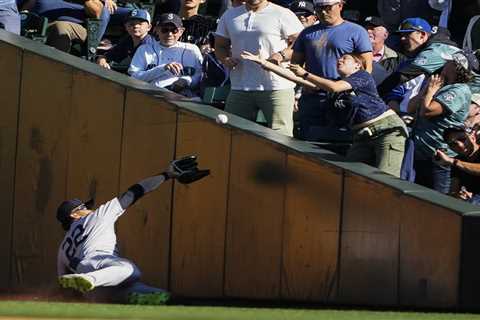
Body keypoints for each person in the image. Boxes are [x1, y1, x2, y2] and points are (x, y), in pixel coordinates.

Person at [57, 155, 210, 304]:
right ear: (75, 214)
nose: (90, 209)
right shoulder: (97, 216)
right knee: (130, 270)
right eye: (85, 207)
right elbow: (134, 192)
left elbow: (64, 283)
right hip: (99, 265)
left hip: (97, 291)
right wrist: (167, 174)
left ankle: (137, 296)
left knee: (152, 293)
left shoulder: (62, 249)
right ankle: (91, 279)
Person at [241, 51, 407, 177]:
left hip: (387, 131)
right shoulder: (333, 82)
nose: (339, 60)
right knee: (351, 175)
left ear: (357, 65)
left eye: (345, 58)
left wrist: (306, 73)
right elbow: (297, 79)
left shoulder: (362, 76)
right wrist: (264, 63)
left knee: (386, 178)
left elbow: (332, 87)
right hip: (362, 135)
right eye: (339, 58)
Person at [214, 0, 303, 137]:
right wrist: (225, 59)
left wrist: (281, 55)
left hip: (277, 86)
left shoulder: (282, 13)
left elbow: (301, 42)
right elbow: (220, 45)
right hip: (240, 86)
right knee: (232, 135)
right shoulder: (230, 15)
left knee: (280, 137)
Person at [290, 0, 373, 140]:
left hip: (342, 98)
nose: (322, 12)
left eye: (327, 8)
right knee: (307, 142)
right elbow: (295, 64)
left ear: (340, 6)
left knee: (341, 143)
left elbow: (366, 67)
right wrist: (302, 86)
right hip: (312, 97)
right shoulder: (307, 33)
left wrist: (351, 90)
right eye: (318, 8)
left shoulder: (356, 31)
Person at [407, 50, 476, 193]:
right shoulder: (440, 86)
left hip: (438, 157)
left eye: (449, 62)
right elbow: (410, 108)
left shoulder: (459, 91)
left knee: (436, 201)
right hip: (420, 153)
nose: (445, 64)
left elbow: (427, 111)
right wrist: (426, 90)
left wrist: (431, 92)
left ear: (457, 67)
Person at [129, 13, 203, 97]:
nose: (169, 34)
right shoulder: (145, 49)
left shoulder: (192, 49)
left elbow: (200, 75)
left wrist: (187, 80)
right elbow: (134, 78)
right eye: (165, 30)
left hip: (184, 97)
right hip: (150, 95)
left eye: (174, 30)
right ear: (157, 30)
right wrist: (163, 68)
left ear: (181, 31)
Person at [22, 0, 130, 53]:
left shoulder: (99, 2)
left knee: (61, 28)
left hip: (77, 26)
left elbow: (97, 12)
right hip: (38, 21)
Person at [435, 125, 480, 205]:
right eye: (453, 144)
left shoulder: (455, 162)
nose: (460, 145)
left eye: (462, 139)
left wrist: (453, 162)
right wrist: (458, 196)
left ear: (473, 136)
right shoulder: (457, 161)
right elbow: (453, 190)